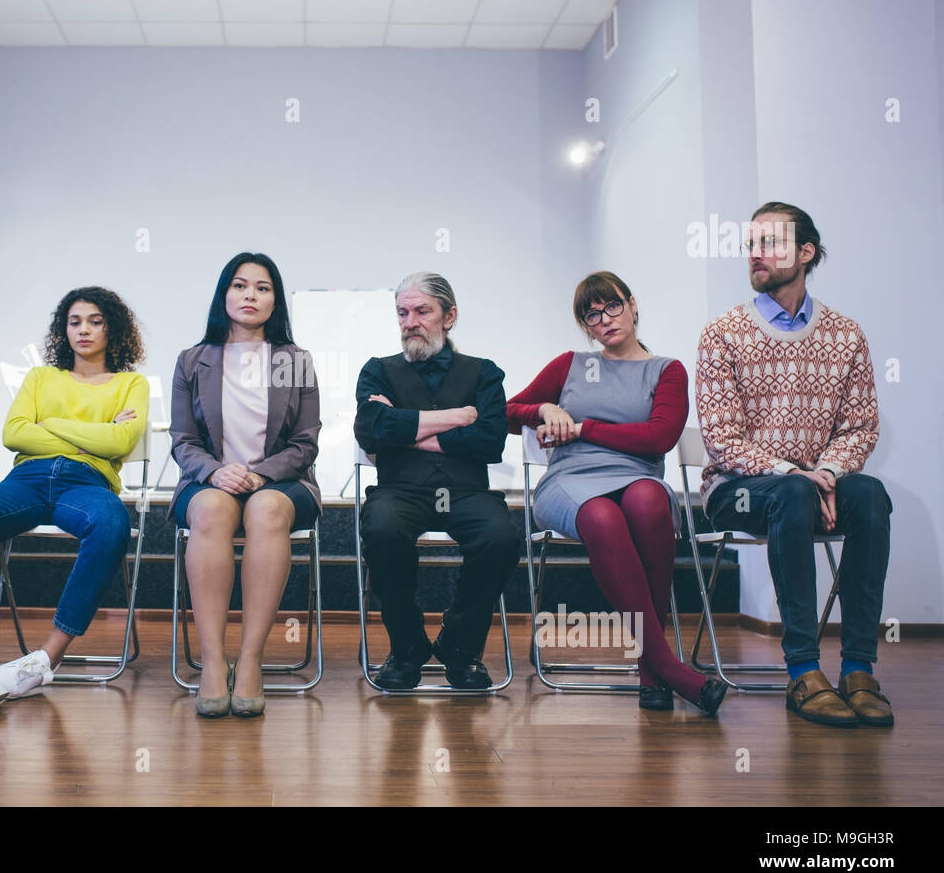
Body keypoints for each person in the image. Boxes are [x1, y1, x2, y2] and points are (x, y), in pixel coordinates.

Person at [697, 202, 892, 727]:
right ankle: (803, 671)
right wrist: (796, 476)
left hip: (815, 486)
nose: (756, 254)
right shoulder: (723, 333)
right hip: (739, 490)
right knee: (793, 494)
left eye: (771, 243)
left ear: (806, 253)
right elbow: (721, 439)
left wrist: (826, 473)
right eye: (752, 245)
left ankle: (858, 668)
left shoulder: (846, 335)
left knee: (871, 495)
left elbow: (860, 426)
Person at [507, 271, 728, 715]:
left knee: (648, 503)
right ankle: (665, 666)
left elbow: (657, 438)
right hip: (570, 479)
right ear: (586, 327)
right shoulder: (568, 365)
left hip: (637, 474)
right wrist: (544, 408)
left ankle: (652, 671)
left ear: (632, 305)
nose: (604, 320)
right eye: (592, 315)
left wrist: (585, 427)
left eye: (612, 307)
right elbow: (507, 414)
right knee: (601, 517)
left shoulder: (666, 370)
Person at [0, 287, 148, 722]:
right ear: (63, 329)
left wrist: (49, 423)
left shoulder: (132, 383)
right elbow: (14, 434)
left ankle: (44, 660)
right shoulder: (41, 377)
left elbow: (122, 441)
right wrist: (92, 431)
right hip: (28, 480)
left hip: (87, 483)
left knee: (111, 522)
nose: (84, 330)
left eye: (95, 321)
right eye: (75, 321)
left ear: (113, 328)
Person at [170, 253, 321, 718]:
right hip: (207, 482)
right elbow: (183, 441)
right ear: (224, 295)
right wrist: (215, 471)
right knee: (213, 509)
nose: (250, 295)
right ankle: (213, 660)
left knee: (266, 510)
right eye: (240, 285)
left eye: (262, 287)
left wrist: (260, 474)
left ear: (276, 301)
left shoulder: (293, 361)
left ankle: (251, 657)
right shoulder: (194, 361)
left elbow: (305, 442)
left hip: (282, 482)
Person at [354, 272, 516, 690]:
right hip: (399, 491)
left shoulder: (484, 373)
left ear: (450, 316)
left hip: (465, 492)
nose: (410, 321)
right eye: (402, 313)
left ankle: (459, 646)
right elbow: (371, 433)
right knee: (382, 529)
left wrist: (404, 431)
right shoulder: (377, 370)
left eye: (422, 311)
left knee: (500, 536)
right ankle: (407, 647)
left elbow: (490, 441)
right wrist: (458, 418)